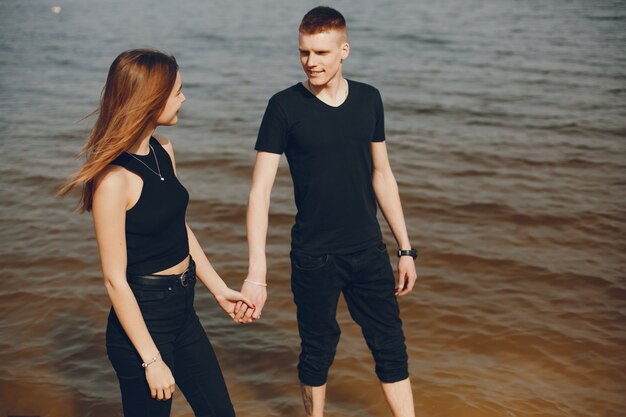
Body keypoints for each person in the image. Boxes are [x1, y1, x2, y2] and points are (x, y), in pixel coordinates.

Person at [236, 6, 419, 417]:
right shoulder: (283, 106)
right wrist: (256, 273)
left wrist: (405, 249)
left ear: (344, 50)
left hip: (368, 251)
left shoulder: (370, 99)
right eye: (304, 52)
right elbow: (259, 193)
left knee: (391, 347)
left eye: (320, 52)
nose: (310, 62)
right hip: (313, 256)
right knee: (317, 352)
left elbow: (383, 175)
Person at [59, 49, 254, 417]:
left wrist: (220, 290)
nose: (184, 98)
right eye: (177, 91)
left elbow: (179, 230)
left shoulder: (163, 149)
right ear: (151, 99)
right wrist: (151, 360)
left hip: (183, 311)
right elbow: (115, 281)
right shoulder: (113, 181)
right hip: (142, 324)